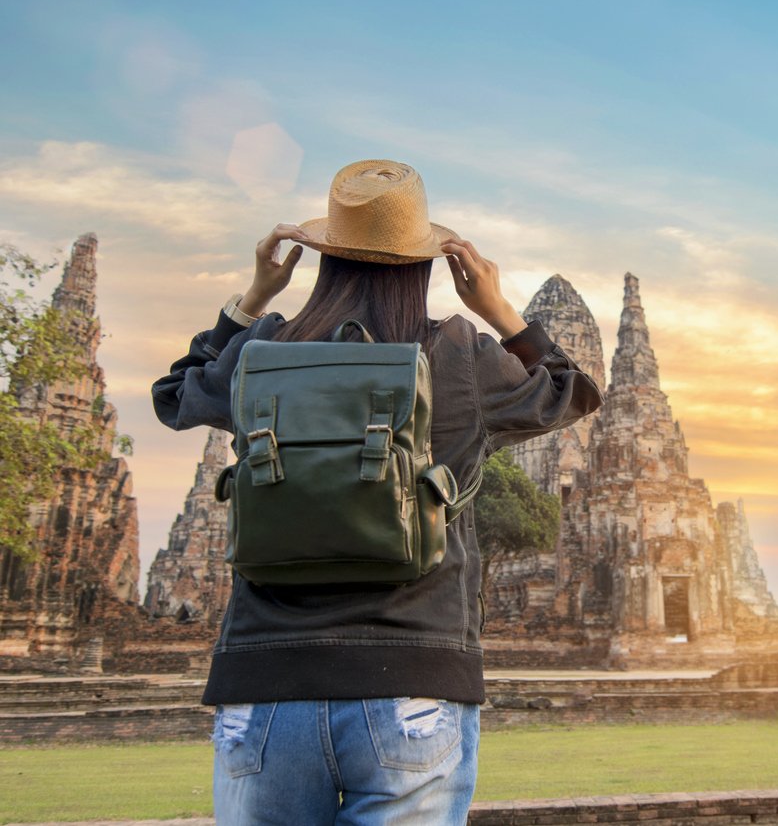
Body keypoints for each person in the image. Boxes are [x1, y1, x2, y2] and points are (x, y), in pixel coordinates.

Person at [152, 159, 603, 825]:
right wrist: (498, 308)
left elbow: (173, 397)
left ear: (324, 261)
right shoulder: (457, 354)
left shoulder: (262, 351)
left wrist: (251, 299)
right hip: (413, 680)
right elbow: (576, 393)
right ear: (423, 265)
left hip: (267, 677)